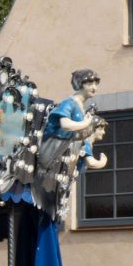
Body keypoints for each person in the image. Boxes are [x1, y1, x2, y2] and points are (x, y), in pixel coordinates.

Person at [36, 68, 109, 209]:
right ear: (80, 84)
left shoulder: (81, 107)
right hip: (53, 151)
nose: (94, 87)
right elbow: (65, 124)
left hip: (63, 156)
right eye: (90, 84)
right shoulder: (70, 102)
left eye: (96, 83)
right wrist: (85, 124)